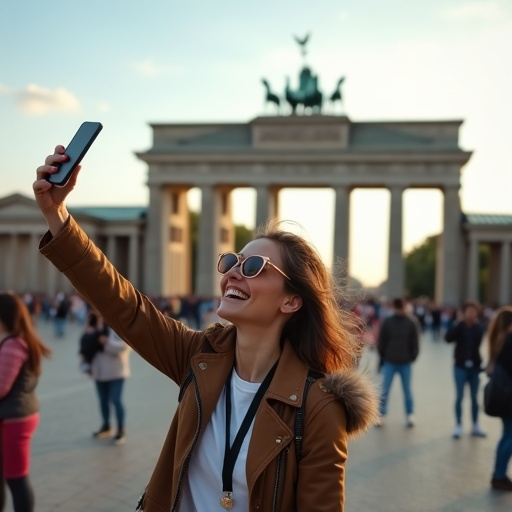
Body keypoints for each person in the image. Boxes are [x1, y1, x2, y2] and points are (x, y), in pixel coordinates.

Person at [32, 146, 379, 511]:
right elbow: (125, 307)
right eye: (232, 260)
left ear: (291, 301)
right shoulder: (200, 358)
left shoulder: (319, 406)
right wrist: (57, 215)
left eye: (254, 266)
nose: (231, 271)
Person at [0, 292, 52, 512]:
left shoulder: (13, 345)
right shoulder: (20, 340)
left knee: (16, 479)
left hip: (14, 419)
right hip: (17, 415)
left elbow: (1, 387)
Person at [444, 300, 487, 439]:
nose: (471, 314)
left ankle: (475, 424)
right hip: (460, 366)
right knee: (459, 397)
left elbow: (480, 343)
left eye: (474, 311)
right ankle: (458, 425)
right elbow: (447, 338)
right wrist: (458, 324)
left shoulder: (479, 327)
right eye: (469, 311)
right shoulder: (459, 326)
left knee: (475, 398)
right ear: (464, 313)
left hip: (475, 367)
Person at [376, 297, 420, 428]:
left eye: (402, 307)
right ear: (394, 308)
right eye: (398, 307)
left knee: (407, 390)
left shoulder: (411, 322)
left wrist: (413, 357)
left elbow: (416, 342)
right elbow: (381, 341)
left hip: (405, 362)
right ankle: (381, 414)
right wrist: (383, 357)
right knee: (385, 389)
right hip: (390, 360)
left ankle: (410, 414)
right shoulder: (388, 322)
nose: (400, 310)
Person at [89, 319, 131, 445]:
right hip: (99, 371)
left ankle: (120, 429)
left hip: (116, 372)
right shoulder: (94, 327)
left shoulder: (119, 327)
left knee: (116, 400)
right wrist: (86, 366)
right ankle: (106, 426)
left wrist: (107, 343)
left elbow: (124, 347)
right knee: (103, 401)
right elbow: (86, 346)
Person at [485, 306, 512, 491]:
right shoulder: (510, 340)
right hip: (510, 397)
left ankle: (498, 473)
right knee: (509, 437)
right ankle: (499, 475)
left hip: (504, 396)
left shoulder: (498, 339)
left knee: (506, 436)